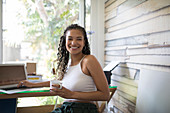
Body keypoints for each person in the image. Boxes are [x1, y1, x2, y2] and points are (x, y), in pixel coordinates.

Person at [18, 24, 110, 113]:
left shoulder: (88, 60)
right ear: (64, 42)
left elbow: (105, 95)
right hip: (66, 108)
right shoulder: (67, 64)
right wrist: (32, 84)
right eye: (70, 39)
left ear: (84, 42)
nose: (74, 43)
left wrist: (71, 94)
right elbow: (57, 82)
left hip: (83, 109)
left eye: (79, 39)